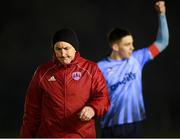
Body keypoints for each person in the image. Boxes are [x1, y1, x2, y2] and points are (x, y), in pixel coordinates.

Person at [20, 28, 110, 138]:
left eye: (66, 48)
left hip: (81, 136)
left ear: (75, 48)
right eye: (58, 49)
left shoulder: (91, 69)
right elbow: (31, 110)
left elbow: (103, 97)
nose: (62, 54)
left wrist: (92, 109)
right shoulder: (42, 72)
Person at [97, 1, 169, 138]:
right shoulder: (99, 68)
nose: (132, 47)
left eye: (132, 43)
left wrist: (162, 15)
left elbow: (162, 42)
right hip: (110, 127)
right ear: (115, 47)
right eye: (127, 44)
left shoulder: (138, 58)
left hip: (134, 125)